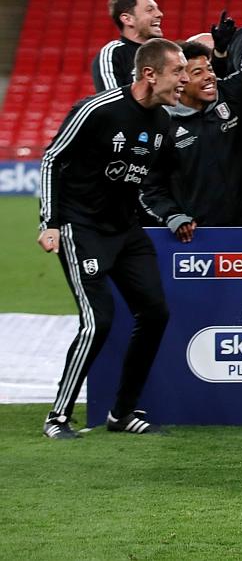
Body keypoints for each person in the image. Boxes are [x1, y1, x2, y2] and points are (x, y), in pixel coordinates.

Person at [39, 38, 186, 439]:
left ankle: (120, 413)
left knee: (155, 313)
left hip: (126, 230)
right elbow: (53, 158)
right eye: (178, 72)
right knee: (97, 321)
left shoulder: (162, 122)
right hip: (80, 228)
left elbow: (146, 181)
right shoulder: (97, 109)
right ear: (149, 74)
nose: (184, 80)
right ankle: (58, 416)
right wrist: (49, 221)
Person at [142, 41, 242, 231]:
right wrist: (172, 215)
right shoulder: (160, 126)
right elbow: (150, 187)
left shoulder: (232, 93)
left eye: (210, 69)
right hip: (199, 235)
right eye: (198, 73)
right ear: (180, 79)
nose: (209, 77)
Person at [92, 0, 164, 91]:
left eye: (157, 9)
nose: (160, 14)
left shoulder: (167, 52)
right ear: (127, 19)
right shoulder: (113, 54)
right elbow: (113, 103)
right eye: (150, 10)